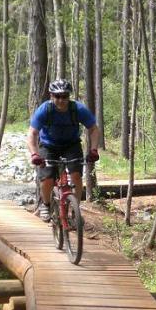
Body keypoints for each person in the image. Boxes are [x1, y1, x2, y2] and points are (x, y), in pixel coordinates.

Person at [27, 79, 100, 222]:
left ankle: (76, 210)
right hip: (48, 145)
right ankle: (46, 205)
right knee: (47, 177)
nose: (61, 100)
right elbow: (32, 133)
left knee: (76, 175)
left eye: (64, 96)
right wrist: (34, 154)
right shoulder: (44, 110)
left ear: (69, 96)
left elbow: (93, 129)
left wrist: (94, 150)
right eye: (57, 96)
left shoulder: (78, 109)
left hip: (71, 144)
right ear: (51, 96)